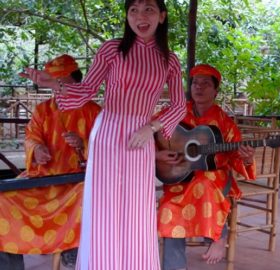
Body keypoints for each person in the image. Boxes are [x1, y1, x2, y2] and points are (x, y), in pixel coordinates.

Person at [19, 0, 186, 269]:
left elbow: (179, 105)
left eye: (149, 10)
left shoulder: (170, 60)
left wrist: (151, 127)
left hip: (140, 138)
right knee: (103, 206)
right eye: (133, 10)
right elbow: (86, 91)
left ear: (162, 16)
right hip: (107, 133)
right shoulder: (112, 49)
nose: (140, 17)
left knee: (136, 208)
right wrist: (53, 83)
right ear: (127, 16)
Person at [0, 54, 101, 270]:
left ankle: (73, 252)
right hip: (43, 180)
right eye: (55, 82)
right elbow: (31, 137)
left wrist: (83, 144)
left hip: (76, 184)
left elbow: (107, 150)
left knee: (88, 197)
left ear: (78, 83)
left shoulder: (94, 112)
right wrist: (37, 150)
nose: (59, 87)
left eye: (64, 82)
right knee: (3, 199)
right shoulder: (42, 110)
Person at [155, 64, 256, 270]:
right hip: (179, 176)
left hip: (214, 180)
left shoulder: (225, 123)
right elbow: (148, 134)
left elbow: (235, 158)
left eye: (205, 84)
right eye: (195, 83)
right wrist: (157, 154)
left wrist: (246, 159)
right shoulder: (174, 113)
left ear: (215, 91)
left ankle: (217, 237)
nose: (199, 88)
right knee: (167, 208)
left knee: (205, 183)